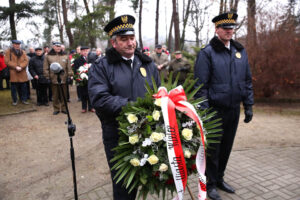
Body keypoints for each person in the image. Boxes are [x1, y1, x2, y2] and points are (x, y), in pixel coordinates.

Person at [88, 14, 160, 200]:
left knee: (143, 176)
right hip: (118, 134)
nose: (130, 43)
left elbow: (158, 92)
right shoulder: (101, 67)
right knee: (123, 184)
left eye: (132, 38)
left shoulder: (147, 64)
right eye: (124, 39)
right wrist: (134, 108)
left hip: (147, 132)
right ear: (114, 43)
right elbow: (100, 99)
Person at [194, 12, 254, 200]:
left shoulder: (239, 51)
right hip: (214, 110)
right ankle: (210, 184)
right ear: (216, 29)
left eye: (231, 28)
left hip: (233, 109)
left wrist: (249, 104)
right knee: (213, 150)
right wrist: (203, 112)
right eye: (225, 28)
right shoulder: (207, 53)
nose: (229, 31)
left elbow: (246, 80)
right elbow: (200, 86)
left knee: (226, 147)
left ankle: (219, 179)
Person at [43, 42, 73, 115]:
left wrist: (70, 75)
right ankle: (56, 108)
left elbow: (69, 67)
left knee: (64, 95)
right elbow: (45, 67)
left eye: (59, 47)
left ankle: (64, 108)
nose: (58, 48)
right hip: (53, 78)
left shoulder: (65, 55)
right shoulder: (48, 56)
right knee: (55, 95)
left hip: (64, 78)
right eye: (56, 46)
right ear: (53, 47)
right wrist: (47, 77)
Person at [4, 40, 29, 105]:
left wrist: (21, 66)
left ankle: (24, 99)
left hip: (22, 72)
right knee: (14, 88)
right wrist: (15, 67)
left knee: (23, 87)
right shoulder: (8, 52)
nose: (17, 45)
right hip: (13, 72)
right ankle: (15, 100)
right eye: (16, 44)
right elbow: (7, 61)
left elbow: (26, 61)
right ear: (13, 44)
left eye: (18, 44)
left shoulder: (23, 52)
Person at [73, 46, 94, 113]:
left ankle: (91, 107)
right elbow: (75, 69)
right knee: (83, 93)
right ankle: (84, 107)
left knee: (90, 93)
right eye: (83, 51)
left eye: (86, 51)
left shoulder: (91, 59)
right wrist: (80, 75)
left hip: (91, 79)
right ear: (81, 52)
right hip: (82, 79)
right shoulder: (77, 60)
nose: (85, 52)